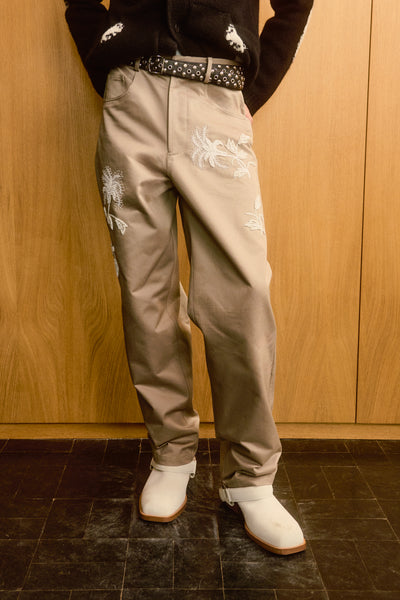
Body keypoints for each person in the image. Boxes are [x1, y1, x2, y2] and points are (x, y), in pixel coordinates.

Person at [64, 0, 313, 555]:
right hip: (131, 100)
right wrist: (109, 66)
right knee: (144, 290)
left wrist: (250, 91)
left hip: (218, 95)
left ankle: (250, 478)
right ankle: (172, 454)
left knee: (243, 293)